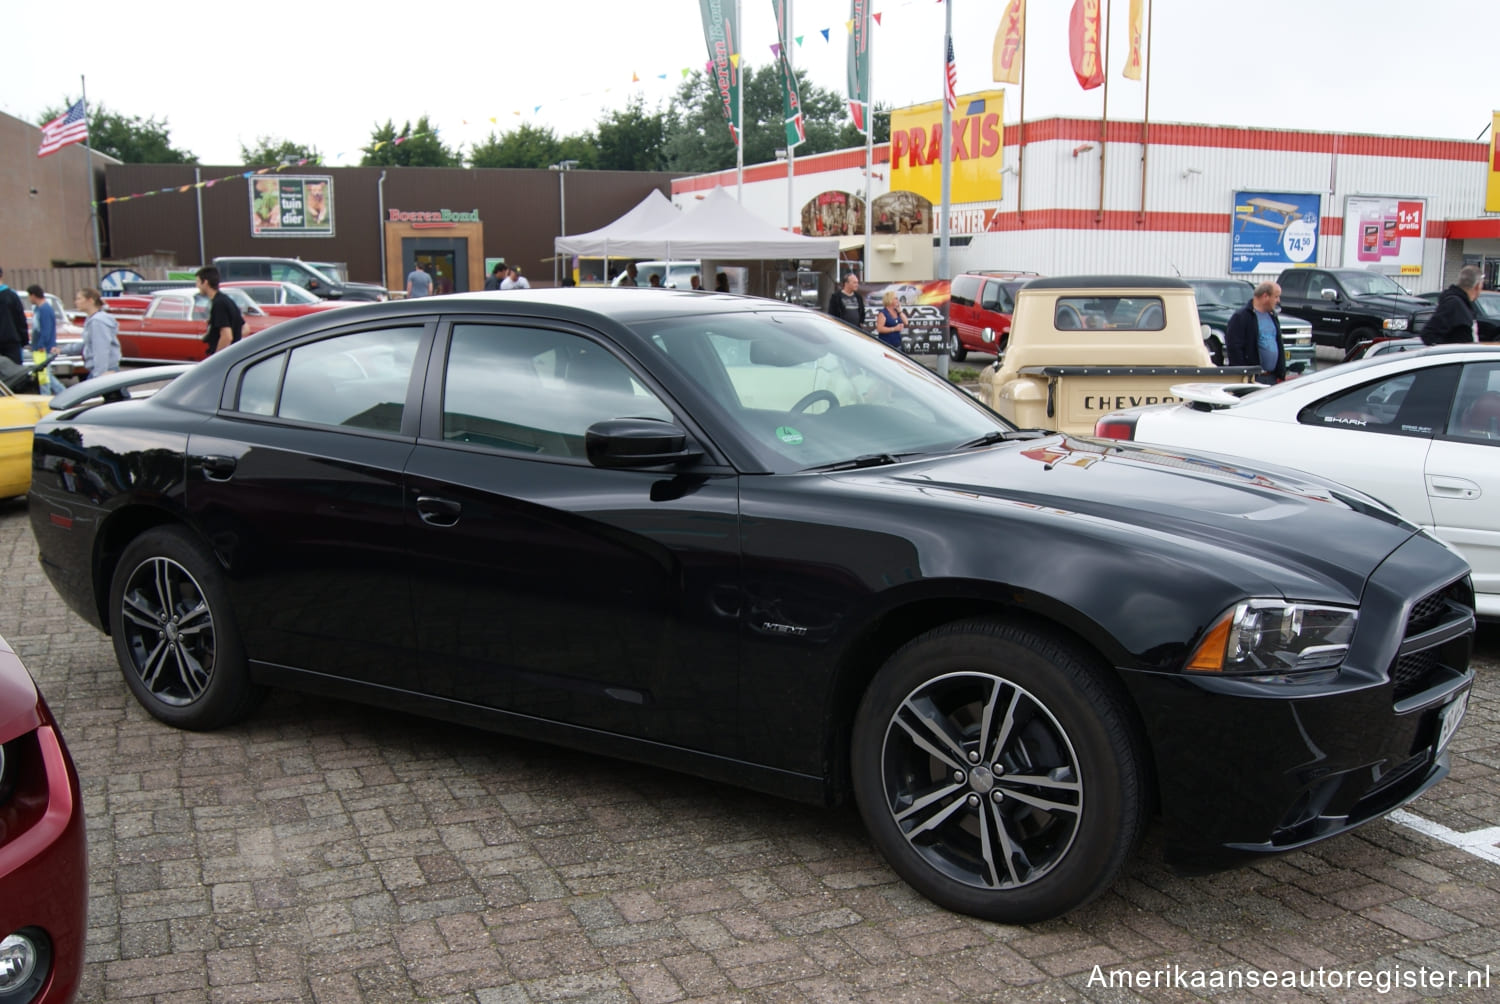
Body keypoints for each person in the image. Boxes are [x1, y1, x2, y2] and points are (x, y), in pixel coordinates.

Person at [1225, 281, 1286, 385]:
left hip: (1272, 377)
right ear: (1265, 296)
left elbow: (1278, 343)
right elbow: (1234, 348)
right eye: (1276, 297)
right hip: (1253, 379)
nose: (1278, 300)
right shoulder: (1242, 317)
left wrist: (1281, 372)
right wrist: (1245, 374)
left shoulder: (1272, 316)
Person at [1422, 265, 1483, 345]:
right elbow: (1428, 334)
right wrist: (1450, 351)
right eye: (1482, 284)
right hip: (1456, 356)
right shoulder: (1454, 304)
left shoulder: (1463, 304)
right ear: (1477, 286)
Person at [196, 267, 245, 356]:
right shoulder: (227, 300)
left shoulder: (218, 304)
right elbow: (245, 328)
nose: (197, 286)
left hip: (225, 359)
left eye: (198, 282)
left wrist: (216, 359)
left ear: (205, 282)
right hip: (234, 355)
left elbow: (227, 336)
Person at [75, 287, 121, 379]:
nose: (76, 302)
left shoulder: (98, 322)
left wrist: (99, 376)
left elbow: (101, 350)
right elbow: (87, 344)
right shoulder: (91, 320)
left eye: (79, 299)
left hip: (104, 371)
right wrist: (62, 350)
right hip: (101, 370)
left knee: (85, 393)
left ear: (90, 300)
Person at [25, 285, 58, 395]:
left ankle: (46, 397)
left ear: (34, 295)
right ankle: (64, 393)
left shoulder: (45, 309)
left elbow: (46, 329)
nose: (29, 299)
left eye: (29, 296)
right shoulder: (38, 309)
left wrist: (41, 344)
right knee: (47, 376)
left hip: (43, 349)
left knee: (44, 377)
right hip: (38, 347)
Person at [0, 267, 26, 365]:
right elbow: (20, 320)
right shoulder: (12, 296)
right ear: (2, 275)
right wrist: (24, 340)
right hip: (12, 342)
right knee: (15, 373)